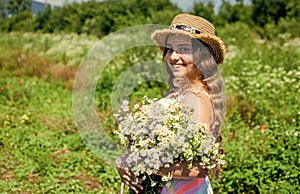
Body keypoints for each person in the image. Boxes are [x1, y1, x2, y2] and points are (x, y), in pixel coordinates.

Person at [117, 13, 226, 193]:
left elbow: (200, 168)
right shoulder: (175, 93)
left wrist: (145, 165)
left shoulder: (199, 98)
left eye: (183, 49)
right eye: (170, 49)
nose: (173, 57)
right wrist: (127, 160)